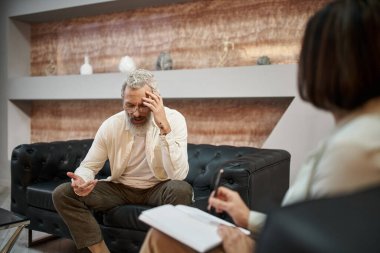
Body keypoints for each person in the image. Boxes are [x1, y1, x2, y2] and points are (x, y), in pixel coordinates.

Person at [140, 0, 380, 252]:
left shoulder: (354, 148)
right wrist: (247, 217)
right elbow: (313, 227)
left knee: (161, 237)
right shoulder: (361, 133)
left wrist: (244, 247)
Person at [52, 69, 193, 253]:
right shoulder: (112, 125)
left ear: (156, 100)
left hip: (159, 187)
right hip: (120, 188)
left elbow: (178, 175)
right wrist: (82, 180)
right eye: (129, 105)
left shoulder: (174, 120)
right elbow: (88, 166)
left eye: (143, 105)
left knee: (181, 190)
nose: (135, 113)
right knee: (63, 193)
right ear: (122, 102)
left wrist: (164, 127)